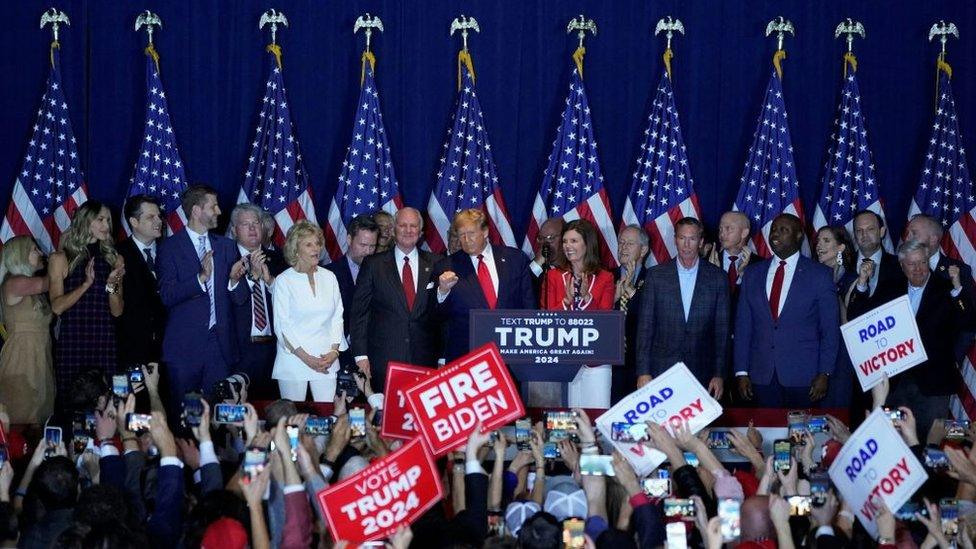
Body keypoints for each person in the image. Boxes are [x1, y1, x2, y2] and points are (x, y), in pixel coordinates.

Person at [848, 239, 976, 433]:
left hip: (933, 386)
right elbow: (857, 317)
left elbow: (968, 322)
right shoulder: (890, 288)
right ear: (901, 265)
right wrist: (863, 283)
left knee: (931, 443)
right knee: (894, 438)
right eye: (911, 264)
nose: (918, 269)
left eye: (923, 263)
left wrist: (958, 288)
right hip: (896, 384)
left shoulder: (945, 288)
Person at [158, 185, 249, 411]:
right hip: (183, 348)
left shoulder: (227, 247)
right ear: (197, 211)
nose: (219, 211)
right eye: (213, 206)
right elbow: (167, 296)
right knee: (184, 417)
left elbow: (239, 299)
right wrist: (200, 278)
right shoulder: (170, 248)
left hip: (219, 347)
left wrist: (234, 280)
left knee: (220, 415)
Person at [735, 213, 840, 408]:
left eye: (784, 230)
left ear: (799, 236)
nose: (776, 234)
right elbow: (743, 327)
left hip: (805, 377)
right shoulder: (752, 273)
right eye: (774, 229)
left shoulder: (820, 275)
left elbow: (830, 329)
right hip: (761, 376)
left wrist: (825, 372)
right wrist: (741, 372)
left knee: (802, 436)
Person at [635, 218, 730, 398]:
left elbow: (722, 332)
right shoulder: (656, 276)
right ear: (675, 240)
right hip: (661, 371)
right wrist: (643, 371)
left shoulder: (718, 278)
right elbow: (645, 328)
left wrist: (719, 374)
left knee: (699, 426)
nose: (686, 245)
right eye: (681, 238)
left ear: (701, 242)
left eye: (692, 239)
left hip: (702, 372)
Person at [350, 207, 442, 389]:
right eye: (403, 225)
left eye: (413, 226)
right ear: (393, 230)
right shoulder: (373, 264)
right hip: (383, 361)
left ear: (421, 232)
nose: (408, 230)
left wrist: (443, 357)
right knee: (384, 415)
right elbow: (359, 313)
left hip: (425, 360)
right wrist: (361, 356)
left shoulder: (437, 263)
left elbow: (443, 317)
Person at [48, 200, 125, 410]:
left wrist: (113, 283)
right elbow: (57, 307)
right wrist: (85, 285)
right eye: (100, 219)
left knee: (105, 404)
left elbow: (117, 311)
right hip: (73, 341)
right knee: (72, 403)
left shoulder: (113, 259)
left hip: (103, 340)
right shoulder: (61, 258)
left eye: (108, 220)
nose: (106, 225)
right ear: (85, 221)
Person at [434, 209, 535, 362]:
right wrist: (442, 291)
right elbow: (436, 316)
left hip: (510, 353)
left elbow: (529, 306)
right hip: (466, 355)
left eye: (471, 233)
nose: (466, 239)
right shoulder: (446, 266)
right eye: (462, 235)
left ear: (485, 232)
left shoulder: (515, 259)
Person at [541, 219, 614, 407]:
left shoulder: (605, 278)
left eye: (574, 241)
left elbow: (606, 322)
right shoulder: (554, 277)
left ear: (587, 244)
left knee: (595, 416)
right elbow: (546, 319)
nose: (567, 246)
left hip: (596, 363)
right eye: (565, 241)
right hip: (563, 361)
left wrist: (587, 299)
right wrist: (566, 302)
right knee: (563, 422)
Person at [271, 221, 346, 402]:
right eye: (309, 244)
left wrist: (334, 352)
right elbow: (282, 326)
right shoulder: (284, 281)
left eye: (317, 243)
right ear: (296, 250)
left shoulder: (329, 277)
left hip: (326, 360)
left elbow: (337, 317)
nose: (316, 249)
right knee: (293, 420)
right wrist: (306, 358)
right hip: (294, 361)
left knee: (327, 417)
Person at [229, 203, 287, 399]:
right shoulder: (225, 259)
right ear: (234, 230)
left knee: (271, 409)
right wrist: (252, 277)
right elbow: (232, 299)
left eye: (256, 223)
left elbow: (288, 303)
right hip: (239, 349)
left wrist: (269, 280)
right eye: (246, 224)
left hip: (275, 350)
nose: (253, 228)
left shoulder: (280, 260)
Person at [0, 236, 53, 424]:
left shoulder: (31, 289)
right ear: (20, 255)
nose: (40, 253)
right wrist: (61, 258)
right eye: (34, 250)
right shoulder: (14, 282)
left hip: (40, 354)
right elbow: (48, 282)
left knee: (38, 418)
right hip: (21, 356)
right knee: (19, 416)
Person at [115, 194, 166, 366]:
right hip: (131, 348)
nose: (158, 221)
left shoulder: (170, 252)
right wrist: (111, 286)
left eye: (159, 216)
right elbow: (110, 293)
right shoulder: (117, 254)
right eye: (151, 217)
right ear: (134, 222)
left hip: (167, 347)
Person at [813, 225, 858, 409]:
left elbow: (850, 323)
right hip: (811, 350)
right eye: (818, 241)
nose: (818, 245)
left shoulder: (852, 279)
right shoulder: (809, 275)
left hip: (841, 355)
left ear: (841, 247)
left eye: (826, 241)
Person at [612, 224, 650, 402]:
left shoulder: (654, 280)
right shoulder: (604, 277)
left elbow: (651, 318)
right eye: (621, 242)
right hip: (608, 363)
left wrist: (632, 292)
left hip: (639, 364)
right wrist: (611, 300)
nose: (623, 247)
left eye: (629, 244)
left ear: (643, 250)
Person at [852, 209, 904, 297]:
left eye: (870, 229)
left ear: (882, 232)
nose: (864, 235)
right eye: (859, 230)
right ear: (854, 234)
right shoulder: (844, 266)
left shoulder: (900, 265)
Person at [530, 217, 565, 300]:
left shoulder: (574, 266)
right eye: (541, 238)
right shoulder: (536, 269)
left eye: (550, 238)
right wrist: (537, 263)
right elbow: (523, 289)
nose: (544, 243)